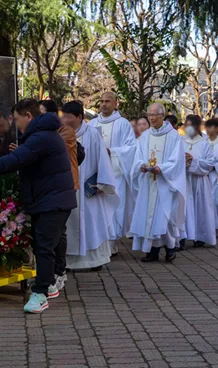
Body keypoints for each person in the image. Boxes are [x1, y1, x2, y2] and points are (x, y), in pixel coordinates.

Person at [0, 99, 76, 314]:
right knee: (47, 244)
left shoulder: (41, 137)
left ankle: (40, 294)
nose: (15, 123)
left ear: (29, 116)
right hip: (50, 199)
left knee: (44, 246)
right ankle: (48, 283)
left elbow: (12, 161)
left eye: (16, 118)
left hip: (53, 201)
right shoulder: (41, 135)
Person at [60, 101, 118, 271]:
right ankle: (69, 262)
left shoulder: (92, 134)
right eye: (63, 116)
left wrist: (102, 183)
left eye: (68, 117)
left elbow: (103, 159)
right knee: (69, 224)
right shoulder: (61, 134)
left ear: (79, 117)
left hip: (89, 187)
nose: (64, 120)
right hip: (68, 187)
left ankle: (95, 260)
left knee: (92, 223)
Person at [128, 102, 186, 262]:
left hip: (166, 183)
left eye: (154, 115)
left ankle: (170, 248)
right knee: (149, 216)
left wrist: (162, 168)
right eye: (149, 115)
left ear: (162, 116)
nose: (151, 118)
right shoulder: (146, 136)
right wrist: (140, 165)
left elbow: (177, 160)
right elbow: (138, 155)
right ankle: (152, 251)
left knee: (165, 216)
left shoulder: (173, 136)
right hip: (148, 182)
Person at [88, 91, 135, 250]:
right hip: (96, 173)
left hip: (115, 173)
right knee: (97, 208)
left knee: (114, 208)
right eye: (101, 101)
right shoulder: (92, 124)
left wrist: (112, 152)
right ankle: (98, 243)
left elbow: (131, 148)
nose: (103, 104)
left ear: (116, 104)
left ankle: (111, 244)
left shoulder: (123, 123)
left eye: (107, 101)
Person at [180, 115, 217, 248]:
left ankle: (200, 236)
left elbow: (210, 163)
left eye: (190, 125)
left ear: (196, 127)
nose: (187, 128)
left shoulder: (204, 143)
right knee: (183, 209)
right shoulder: (180, 141)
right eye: (186, 125)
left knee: (200, 208)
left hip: (199, 181)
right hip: (183, 180)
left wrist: (193, 161)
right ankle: (181, 237)